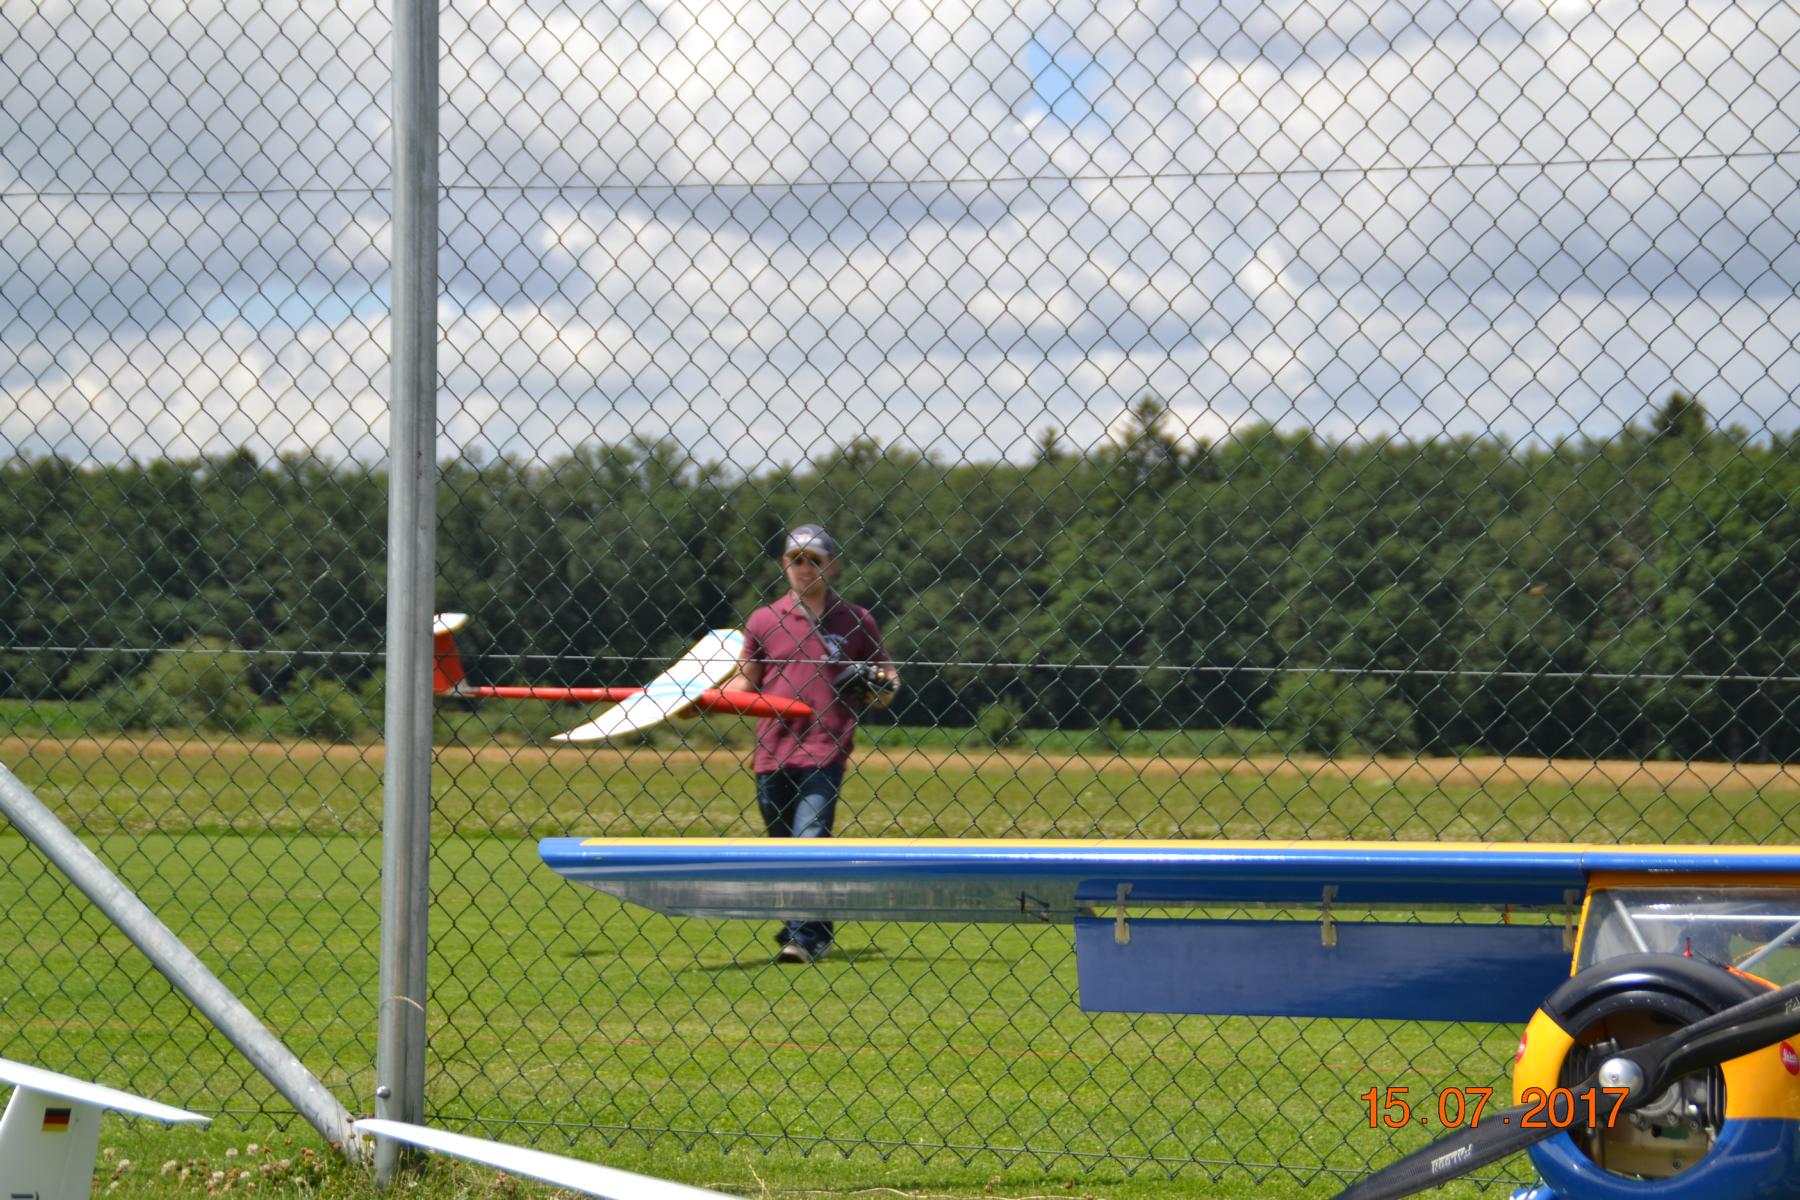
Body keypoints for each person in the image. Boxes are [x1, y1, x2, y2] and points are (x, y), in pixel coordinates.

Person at [731, 524, 898, 964]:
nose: (804, 569)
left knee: (810, 837)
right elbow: (745, 681)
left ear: (832, 566)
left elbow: (887, 681)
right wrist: (698, 699)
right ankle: (812, 927)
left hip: (826, 748)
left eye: (814, 560)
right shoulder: (763, 620)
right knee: (783, 844)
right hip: (772, 750)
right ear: (784, 564)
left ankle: (801, 939)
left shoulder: (857, 619)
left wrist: (879, 687)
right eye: (796, 559)